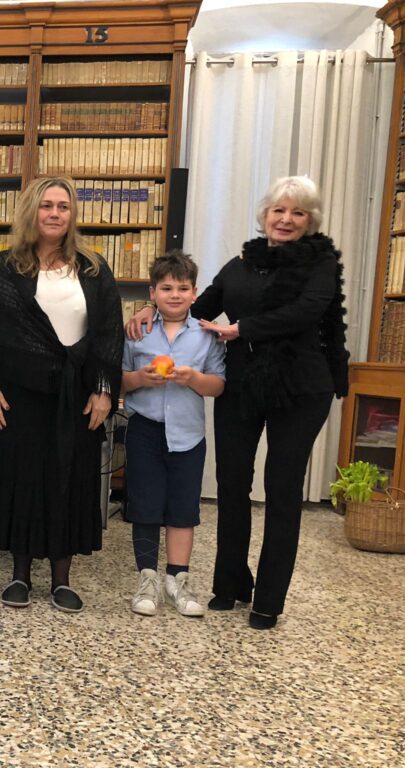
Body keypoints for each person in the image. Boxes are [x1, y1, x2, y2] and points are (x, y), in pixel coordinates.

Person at [126, 176, 349, 630]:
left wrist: (243, 329)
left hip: (301, 388)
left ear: (310, 220)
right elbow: (196, 307)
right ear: (264, 215)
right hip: (244, 384)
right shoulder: (240, 264)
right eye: (278, 210)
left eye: (297, 212)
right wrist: (150, 309)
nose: (285, 219)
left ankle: (268, 599)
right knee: (231, 484)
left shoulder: (320, 264)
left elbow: (305, 312)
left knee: (282, 489)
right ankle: (229, 585)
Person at [0, 177, 124, 613]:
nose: (55, 213)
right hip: (19, 395)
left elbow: (108, 334)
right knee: (23, 480)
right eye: (47, 205)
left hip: (75, 396)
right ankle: (20, 575)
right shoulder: (6, 268)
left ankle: (61, 580)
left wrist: (103, 391)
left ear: (72, 215)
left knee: (68, 480)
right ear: (31, 211)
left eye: (63, 206)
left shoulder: (93, 269)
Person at [121, 251, 225, 618]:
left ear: (195, 293)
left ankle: (177, 580)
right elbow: (120, 379)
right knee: (145, 506)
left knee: (183, 509)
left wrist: (194, 379)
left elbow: (218, 385)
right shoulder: (137, 331)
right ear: (153, 293)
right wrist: (140, 378)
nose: (175, 295)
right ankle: (147, 580)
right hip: (144, 429)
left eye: (183, 288)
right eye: (166, 288)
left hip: (188, 434)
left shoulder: (207, 336)